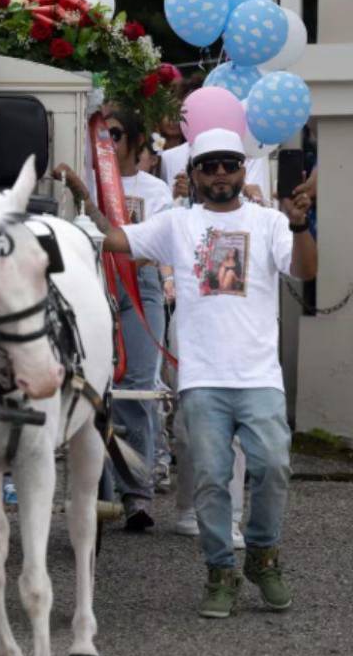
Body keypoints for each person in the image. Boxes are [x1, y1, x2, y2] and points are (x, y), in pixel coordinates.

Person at [79, 127, 316, 619]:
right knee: (209, 478)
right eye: (210, 166)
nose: (221, 173)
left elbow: (306, 272)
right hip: (203, 378)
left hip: (259, 378)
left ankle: (264, 555)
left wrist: (299, 226)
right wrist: (85, 198)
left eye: (230, 164)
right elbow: (117, 240)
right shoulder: (177, 224)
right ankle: (220, 570)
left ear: (240, 169)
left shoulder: (270, 221)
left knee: (273, 467)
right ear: (194, 174)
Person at [57, 106, 172, 530]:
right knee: (96, 389)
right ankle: (98, 491)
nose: (107, 144)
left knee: (136, 388)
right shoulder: (84, 180)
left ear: (136, 140)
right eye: (101, 135)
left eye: (116, 135)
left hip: (139, 290)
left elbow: (150, 247)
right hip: (93, 287)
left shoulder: (155, 189)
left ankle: (136, 494)